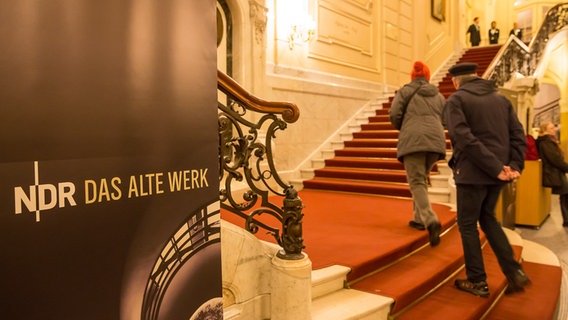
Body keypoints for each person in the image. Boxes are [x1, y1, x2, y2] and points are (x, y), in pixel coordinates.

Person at [444, 62, 531, 297]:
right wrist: (513, 165)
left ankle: (477, 281)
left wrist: (494, 167)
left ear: (455, 81)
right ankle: (514, 273)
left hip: (473, 174)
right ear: (476, 76)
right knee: (489, 219)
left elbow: (463, 138)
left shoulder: (456, 100)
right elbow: (518, 135)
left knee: (467, 224)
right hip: (498, 174)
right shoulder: (500, 99)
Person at [389, 61, 447, 247]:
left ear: (412, 76)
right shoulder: (438, 95)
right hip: (435, 142)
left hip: (414, 140)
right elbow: (445, 119)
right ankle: (419, 219)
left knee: (416, 181)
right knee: (421, 179)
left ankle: (430, 220)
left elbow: (394, 114)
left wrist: (405, 127)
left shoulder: (405, 91)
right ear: (428, 76)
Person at [536, 122, 568, 227]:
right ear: (545, 130)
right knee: (565, 195)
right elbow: (555, 159)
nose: (554, 129)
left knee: (565, 195)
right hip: (554, 172)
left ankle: (567, 219)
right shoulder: (546, 142)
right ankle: (567, 220)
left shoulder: (549, 141)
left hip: (556, 172)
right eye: (551, 128)